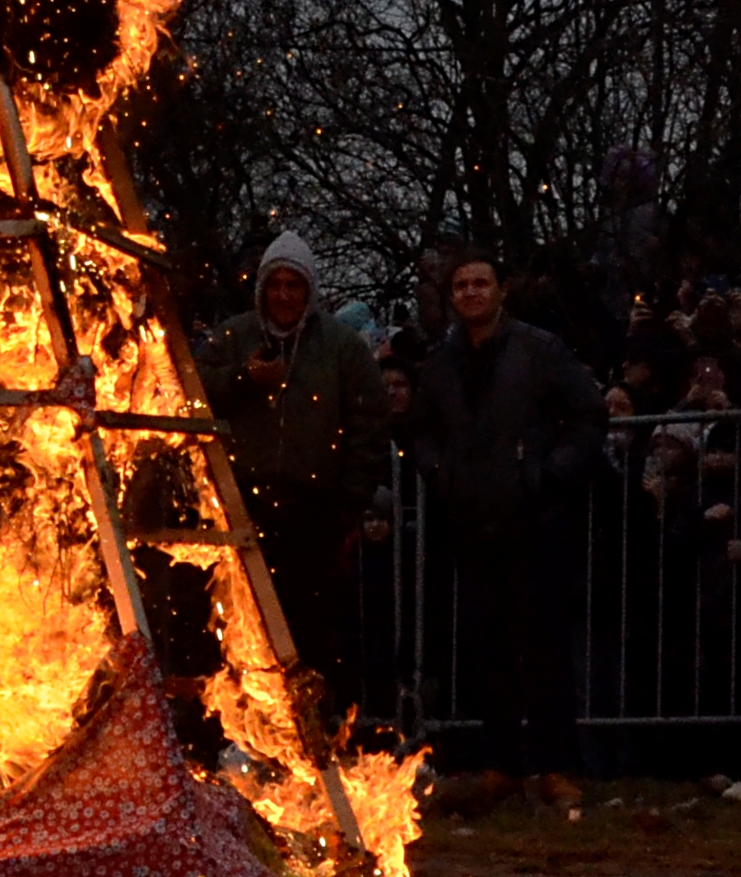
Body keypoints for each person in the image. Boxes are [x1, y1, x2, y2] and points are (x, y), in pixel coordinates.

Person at [407, 252, 604, 810]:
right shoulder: (440, 362)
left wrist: (549, 473)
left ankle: (556, 765)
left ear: (501, 290)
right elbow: (419, 430)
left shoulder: (539, 350)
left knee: (544, 649)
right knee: (486, 649)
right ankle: (501, 764)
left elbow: (588, 416)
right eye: (461, 285)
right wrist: (440, 473)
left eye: (480, 283)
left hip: (535, 520)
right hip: (472, 521)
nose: (471, 293)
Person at [197, 230, 393, 740]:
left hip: (315, 510)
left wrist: (346, 504)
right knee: (241, 628)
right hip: (242, 508)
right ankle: (245, 736)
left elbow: (370, 426)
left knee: (315, 632)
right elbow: (190, 392)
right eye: (275, 285)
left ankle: (315, 734)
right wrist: (244, 380)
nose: (284, 295)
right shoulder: (232, 339)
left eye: (294, 285)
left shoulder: (342, 349)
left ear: (309, 291)